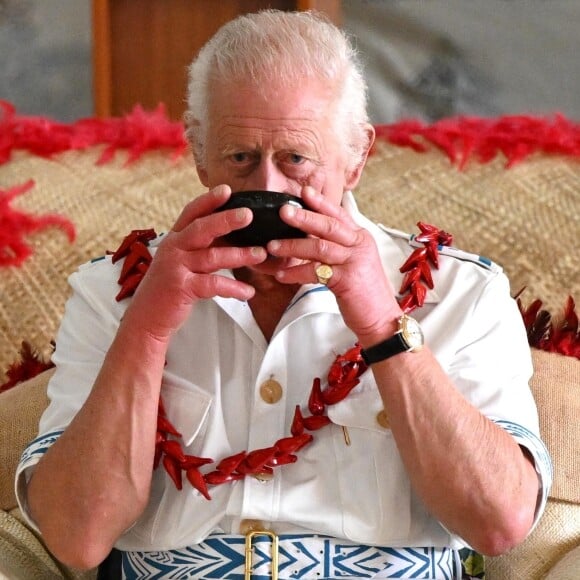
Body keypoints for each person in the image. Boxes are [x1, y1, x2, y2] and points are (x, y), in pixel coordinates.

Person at [16, 10, 551, 580]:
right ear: (199, 154)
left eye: (295, 159)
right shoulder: (114, 291)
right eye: (241, 158)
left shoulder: (460, 291)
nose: (268, 190)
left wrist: (380, 323)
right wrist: (146, 330)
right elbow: (77, 538)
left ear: (357, 156)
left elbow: (500, 523)